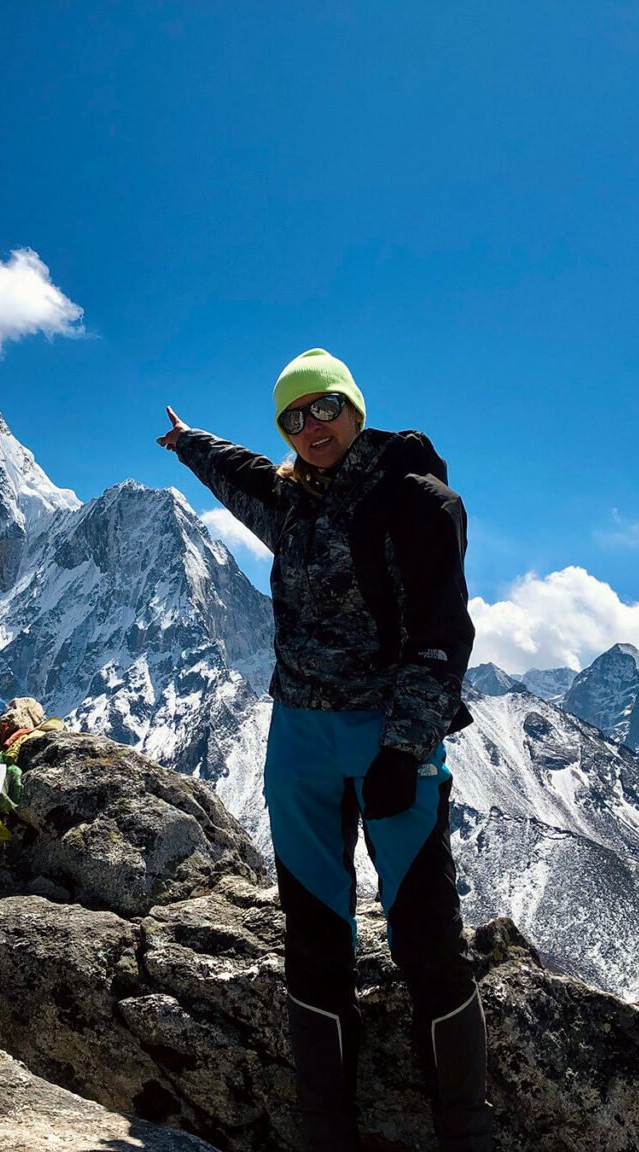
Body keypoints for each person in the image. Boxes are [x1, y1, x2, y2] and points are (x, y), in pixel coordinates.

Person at [157, 348, 492, 1152]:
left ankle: (466, 1135)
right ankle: (326, 1134)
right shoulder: (292, 501)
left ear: (355, 408)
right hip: (300, 738)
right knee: (313, 938)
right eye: (294, 417)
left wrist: (404, 747)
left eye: (325, 407)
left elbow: (443, 635)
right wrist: (190, 442)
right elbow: (238, 475)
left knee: (428, 941)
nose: (311, 426)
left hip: (387, 734)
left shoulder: (415, 499)